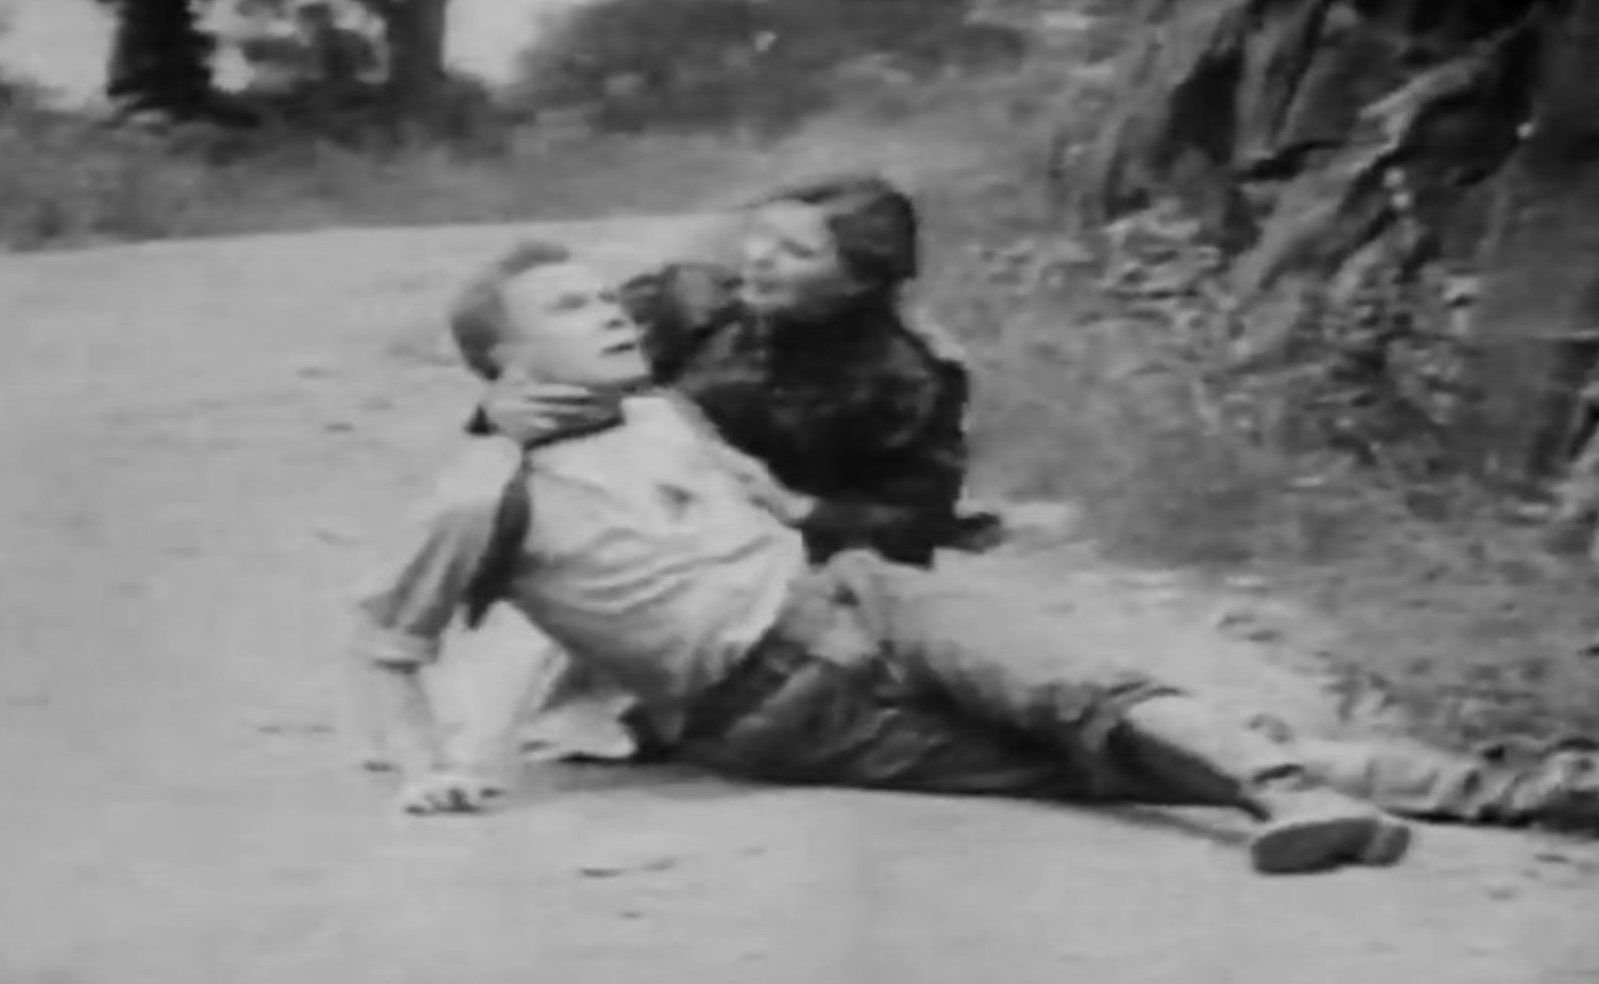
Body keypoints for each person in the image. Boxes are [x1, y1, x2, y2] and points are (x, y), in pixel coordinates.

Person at [351, 241, 1430, 876]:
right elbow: (386, 644)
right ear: (504, 356)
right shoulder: (480, 492)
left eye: (604, 296)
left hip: (860, 599)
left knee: (1074, 691)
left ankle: (1291, 792)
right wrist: (431, 767)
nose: (610, 314)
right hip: (769, 711)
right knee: (1086, 764)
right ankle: (1450, 787)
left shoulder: (661, 410)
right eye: (569, 308)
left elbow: (754, 504)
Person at [457, 175, 992, 764]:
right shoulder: (686, 304)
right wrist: (500, 411)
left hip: (784, 572)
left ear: (857, 281)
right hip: (640, 539)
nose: (759, 258)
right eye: (760, 235)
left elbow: (917, 522)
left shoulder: (908, 377)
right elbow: (548, 366)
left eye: (797, 252)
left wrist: (798, 507)